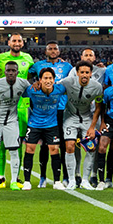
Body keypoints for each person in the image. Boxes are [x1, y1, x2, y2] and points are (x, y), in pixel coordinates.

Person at [0, 33, 34, 187]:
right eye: (14, 40)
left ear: (23, 43)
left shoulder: (28, 58)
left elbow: (34, 74)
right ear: (9, 42)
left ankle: (16, 177)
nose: (16, 43)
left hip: (21, 107)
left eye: (19, 40)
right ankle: (0, 177)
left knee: (18, 143)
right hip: (1, 106)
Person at [30, 41, 73, 187]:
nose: (53, 51)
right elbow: (28, 78)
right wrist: (34, 83)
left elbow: (74, 79)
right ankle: (42, 176)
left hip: (61, 109)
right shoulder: (37, 66)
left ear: (59, 51)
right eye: (50, 49)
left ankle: (64, 177)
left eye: (55, 48)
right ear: (45, 51)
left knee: (61, 145)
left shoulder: (67, 66)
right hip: (44, 110)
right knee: (43, 146)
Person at [0, 61, 30, 190]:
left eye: (13, 70)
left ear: (17, 72)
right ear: (4, 72)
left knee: (14, 151)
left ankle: (14, 182)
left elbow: (30, 96)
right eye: (8, 70)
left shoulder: (23, 84)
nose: (10, 73)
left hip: (12, 121)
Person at [59, 60, 103, 190]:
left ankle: (85, 180)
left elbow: (99, 107)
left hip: (87, 119)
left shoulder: (97, 87)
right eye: (82, 72)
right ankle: (72, 180)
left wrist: (92, 127)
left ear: (91, 73)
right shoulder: (68, 82)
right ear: (77, 73)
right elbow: (54, 89)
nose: (84, 75)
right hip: (70, 117)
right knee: (70, 147)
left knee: (91, 148)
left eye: (87, 72)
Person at [22, 68, 67, 189]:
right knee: (30, 149)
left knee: (54, 150)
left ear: (54, 79)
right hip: (34, 124)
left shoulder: (60, 89)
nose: (48, 81)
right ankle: (27, 181)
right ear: (40, 80)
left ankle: (57, 181)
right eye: (45, 78)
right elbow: (21, 94)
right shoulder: (32, 90)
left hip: (51, 125)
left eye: (50, 78)